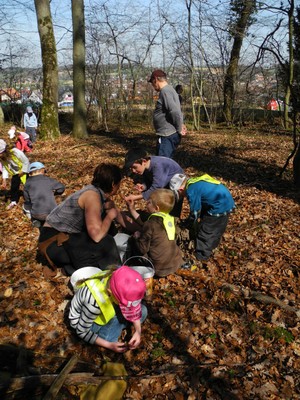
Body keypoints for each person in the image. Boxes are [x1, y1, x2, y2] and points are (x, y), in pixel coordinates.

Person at [38, 163, 122, 276]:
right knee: (106, 242)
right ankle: (117, 276)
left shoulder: (95, 192)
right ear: (113, 184)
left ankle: (73, 267)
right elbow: (97, 236)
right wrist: (110, 216)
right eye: (119, 184)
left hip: (60, 238)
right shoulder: (93, 196)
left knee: (105, 229)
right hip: (52, 243)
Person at [69, 266, 147, 353]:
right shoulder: (93, 302)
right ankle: (113, 329)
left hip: (104, 308)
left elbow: (133, 306)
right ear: (110, 292)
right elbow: (81, 331)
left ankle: (120, 323)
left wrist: (138, 330)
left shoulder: (115, 276)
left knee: (143, 311)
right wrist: (109, 345)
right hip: (87, 324)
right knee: (109, 338)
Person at [170, 173, 235, 262]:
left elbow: (195, 212)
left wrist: (188, 223)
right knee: (217, 228)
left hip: (218, 207)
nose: (182, 197)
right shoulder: (195, 182)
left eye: (180, 194)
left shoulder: (191, 190)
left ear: (181, 189)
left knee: (205, 232)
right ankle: (213, 247)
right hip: (226, 202)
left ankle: (201, 257)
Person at [126, 189, 184, 277]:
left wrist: (136, 238)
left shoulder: (150, 224)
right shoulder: (170, 219)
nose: (146, 203)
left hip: (158, 269)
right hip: (175, 264)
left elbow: (142, 249)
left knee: (132, 243)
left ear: (156, 208)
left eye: (149, 202)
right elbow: (144, 223)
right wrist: (132, 210)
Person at [124, 147, 184, 218]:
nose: (133, 171)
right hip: (165, 184)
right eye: (131, 168)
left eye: (135, 167)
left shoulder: (157, 165)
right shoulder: (146, 167)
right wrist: (144, 186)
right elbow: (152, 181)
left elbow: (157, 187)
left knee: (172, 210)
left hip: (176, 186)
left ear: (144, 161)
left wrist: (136, 197)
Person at [148, 69, 186, 158]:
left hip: (167, 135)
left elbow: (174, 111)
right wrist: (181, 124)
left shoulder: (165, 91)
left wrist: (179, 127)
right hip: (169, 134)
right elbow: (177, 109)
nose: (152, 85)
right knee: (167, 162)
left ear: (156, 79)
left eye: (152, 82)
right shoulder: (170, 90)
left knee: (163, 163)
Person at [23, 162, 65, 228]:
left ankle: (34, 220)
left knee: (25, 206)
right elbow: (61, 188)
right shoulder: (48, 180)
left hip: (37, 214)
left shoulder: (27, 183)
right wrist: (55, 193)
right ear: (42, 171)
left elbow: (27, 199)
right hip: (51, 212)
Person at [0, 139, 30, 210]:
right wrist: (4, 179)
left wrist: (23, 171)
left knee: (28, 185)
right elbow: (5, 167)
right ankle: (14, 201)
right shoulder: (2, 158)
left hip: (23, 171)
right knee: (14, 187)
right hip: (15, 173)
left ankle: (32, 198)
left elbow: (26, 161)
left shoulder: (15, 152)